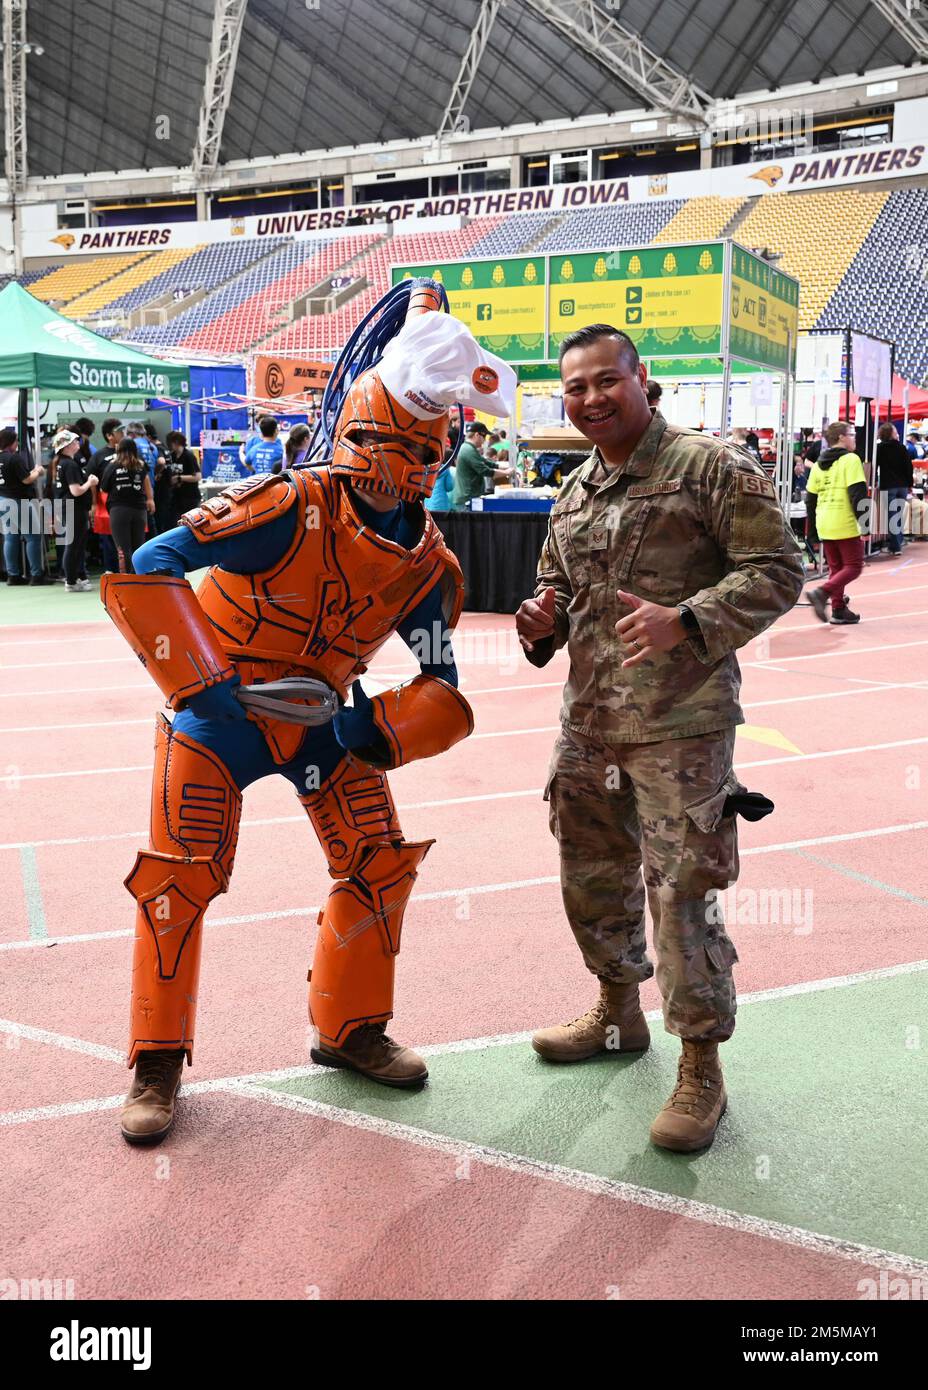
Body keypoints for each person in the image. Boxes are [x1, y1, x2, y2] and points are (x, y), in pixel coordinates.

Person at [101, 279, 515, 1145]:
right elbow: (151, 562)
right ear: (361, 432)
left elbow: (443, 683)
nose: (410, 468)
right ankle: (157, 1060)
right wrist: (201, 682)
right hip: (216, 720)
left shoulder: (427, 565)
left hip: (323, 722)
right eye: (398, 445)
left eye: (427, 450)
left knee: (376, 860)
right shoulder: (286, 506)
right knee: (179, 880)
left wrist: (376, 730)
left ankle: (352, 1026)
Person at [515, 323, 803, 1153]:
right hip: (589, 725)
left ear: (645, 383)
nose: (591, 398)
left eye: (607, 380)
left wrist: (689, 621)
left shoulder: (710, 467)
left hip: (680, 728)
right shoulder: (574, 492)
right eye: (575, 388)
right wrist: (540, 619)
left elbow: (780, 570)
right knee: (592, 876)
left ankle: (701, 1067)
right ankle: (617, 1013)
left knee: (683, 894)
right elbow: (555, 590)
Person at [805, 421, 867, 625]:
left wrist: (812, 531)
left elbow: (810, 501)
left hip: (825, 521)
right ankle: (821, 593)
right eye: (851, 434)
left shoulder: (816, 467)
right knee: (854, 566)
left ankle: (839, 610)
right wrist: (865, 523)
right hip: (844, 521)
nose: (854, 438)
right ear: (841, 437)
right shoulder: (851, 460)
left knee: (837, 568)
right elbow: (857, 494)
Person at [0, 426, 49, 586]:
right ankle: (36, 575)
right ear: (10, 442)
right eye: (15, 441)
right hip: (18, 501)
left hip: (2, 500)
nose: (17, 444)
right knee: (33, 537)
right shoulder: (14, 458)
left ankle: (13, 575)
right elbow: (27, 479)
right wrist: (38, 471)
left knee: (10, 537)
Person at [99, 438, 152, 574]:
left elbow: (103, 488)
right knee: (138, 547)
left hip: (119, 510)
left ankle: (126, 578)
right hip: (139, 510)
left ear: (118, 450)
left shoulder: (112, 466)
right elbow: (147, 483)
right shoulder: (141, 465)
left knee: (123, 549)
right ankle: (139, 577)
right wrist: (151, 499)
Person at [55, 430, 98, 591]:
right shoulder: (70, 464)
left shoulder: (63, 463)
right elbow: (76, 490)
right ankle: (71, 580)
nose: (77, 443)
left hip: (70, 507)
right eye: (74, 441)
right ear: (66, 446)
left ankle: (76, 577)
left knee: (76, 544)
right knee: (73, 545)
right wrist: (90, 482)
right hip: (73, 507)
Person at [90, 419, 125, 574]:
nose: (122, 434)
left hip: (127, 503)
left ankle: (128, 570)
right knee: (108, 538)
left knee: (126, 538)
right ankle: (110, 569)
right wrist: (93, 504)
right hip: (105, 504)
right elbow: (92, 481)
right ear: (109, 436)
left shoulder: (127, 454)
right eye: (119, 431)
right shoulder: (99, 456)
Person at [451, 422, 510, 509]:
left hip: (468, 497)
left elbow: (485, 462)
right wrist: (507, 472)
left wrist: (502, 467)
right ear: (477, 435)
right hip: (467, 498)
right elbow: (484, 470)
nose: (485, 440)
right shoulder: (468, 450)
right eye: (484, 436)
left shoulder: (469, 448)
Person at [875, 423, 914, 556]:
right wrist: (910, 484)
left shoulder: (879, 448)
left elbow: (875, 466)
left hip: (888, 485)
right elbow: (909, 468)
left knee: (892, 516)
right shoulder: (902, 448)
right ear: (891, 433)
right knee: (898, 514)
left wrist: (874, 480)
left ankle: (895, 546)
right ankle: (898, 541)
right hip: (902, 486)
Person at [164, 430, 201, 524]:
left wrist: (179, 478)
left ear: (176, 442)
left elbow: (197, 476)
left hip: (190, 497)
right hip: (177, 497)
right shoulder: (172, 456)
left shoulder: (188, 456)